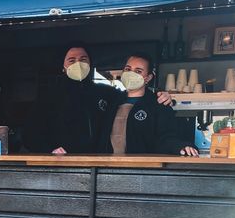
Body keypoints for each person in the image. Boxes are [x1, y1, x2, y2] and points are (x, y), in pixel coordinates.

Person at [23, 45, 172, 154]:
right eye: (71, 60)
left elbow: (134, 96)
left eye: (83, 59)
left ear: (90, 63)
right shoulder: (49, 97)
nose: (78, 64)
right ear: (63, 66)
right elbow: (31, 134)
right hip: (63, 165)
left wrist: (160, 95)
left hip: (99, 164)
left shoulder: (106, 93)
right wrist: (49, 150)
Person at [97, 53, 199, 156]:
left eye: (138, 71)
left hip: (141, 168)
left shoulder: (158, 104)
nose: (131, 74)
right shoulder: (111, 101)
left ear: (148, 77)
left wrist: (181, 146)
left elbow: (167, 137)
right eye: (128, 69)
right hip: (107, 167)